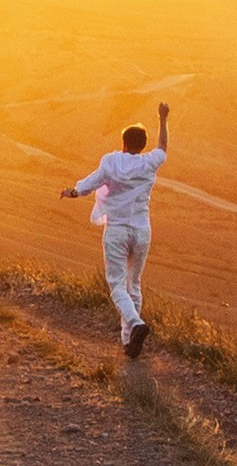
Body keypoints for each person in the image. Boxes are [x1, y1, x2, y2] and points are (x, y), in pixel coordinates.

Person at [60, 100, 171, 357]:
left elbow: (91, 183)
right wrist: (163, 118)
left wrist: (74, 191)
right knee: (134, 284)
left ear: (123, 143)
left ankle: (135, 324)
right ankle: (128, 342)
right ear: (142, 145)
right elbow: (163, 146)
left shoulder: (111, 162)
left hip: (117, 230)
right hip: (142, 230)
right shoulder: (149, 163)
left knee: (117, 285)